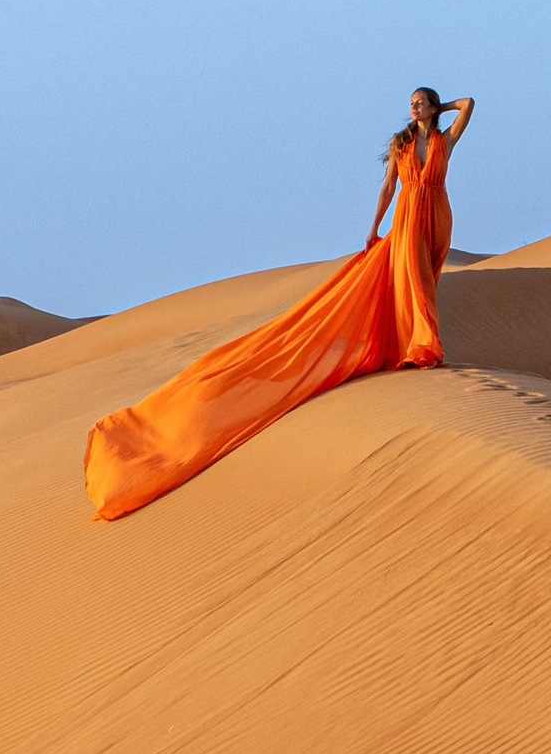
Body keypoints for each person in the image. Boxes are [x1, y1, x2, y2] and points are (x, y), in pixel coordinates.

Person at [83, 87, 474, 520]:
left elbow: (470, 104)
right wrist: (373, 228)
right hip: (406, 217)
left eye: (420, 102)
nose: (413, 107)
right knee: (412, 281)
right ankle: (422, 348)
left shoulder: (443, 140)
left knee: (425, 279)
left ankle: (412, 345)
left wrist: (444, 105)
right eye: (412, 102)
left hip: (437, 213)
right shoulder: (401, 146)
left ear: (433, 108)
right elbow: (387, 188)